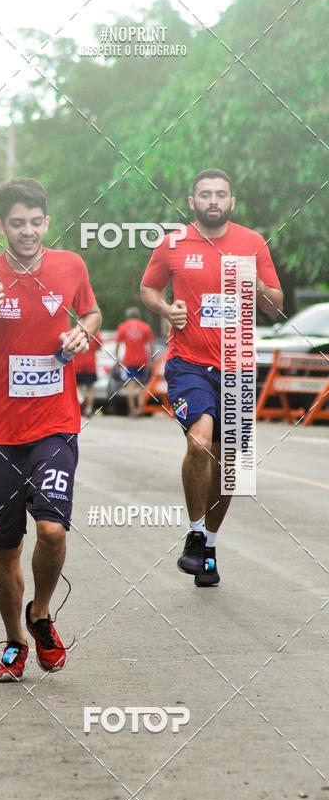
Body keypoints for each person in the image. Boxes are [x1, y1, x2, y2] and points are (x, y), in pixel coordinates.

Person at [0, 178, 101, 681]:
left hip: (55, 424)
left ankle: (41, 612)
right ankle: (16, 640)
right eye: (17, 224)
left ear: (47, 222)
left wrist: (83, 331)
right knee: (5, 546)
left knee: (52, 530)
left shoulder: (70, 266)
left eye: (36, 223)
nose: (28, 232)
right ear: (1, 226)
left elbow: (92, 311)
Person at [140, 168, 282, 587]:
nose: (213, 200)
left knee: (230, 464)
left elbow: (275, 304)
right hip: (189, 363)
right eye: (205, 194)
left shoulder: (252, 243)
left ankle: (210, 549)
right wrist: (166, 309)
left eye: (221, 194)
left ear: (232, 202)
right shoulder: (172, 244)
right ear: (192, 201)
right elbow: (148, 289)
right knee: (200, 442)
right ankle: (195, 533)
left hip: (238, 366)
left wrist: (256, 283)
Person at [114, 307, 155, 417]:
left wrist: (117, 359)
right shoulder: (145, 327)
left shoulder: (123, 327)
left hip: (129, 360)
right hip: (142, 360)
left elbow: (117, 345)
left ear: (127, 316)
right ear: (138, 316)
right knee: (141, 385)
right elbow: (151, 345)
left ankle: (132, 409)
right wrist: (152, 360)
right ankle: (140, 408)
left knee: (130, 384)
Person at [73, 330, 102, 417]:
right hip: (90, 365)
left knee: (76, 386)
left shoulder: (74, 331)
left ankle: (81, 400)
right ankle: (89, 409)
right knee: (90, 388)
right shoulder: (95, 333)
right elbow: (99, 347)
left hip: (77, 365)